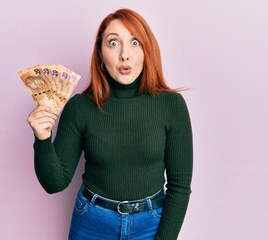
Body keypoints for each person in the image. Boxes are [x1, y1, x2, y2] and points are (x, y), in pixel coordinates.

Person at [27, 8, 193, 240]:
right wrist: (42, 139)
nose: (125, 54)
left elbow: (180, 188)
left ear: (147, 50)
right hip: (91, 223)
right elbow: (55, 183)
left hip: (150, 225)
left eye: (135, 42)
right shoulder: (80, 108)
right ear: (100, 54)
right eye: (113, 43)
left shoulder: (172, 105)